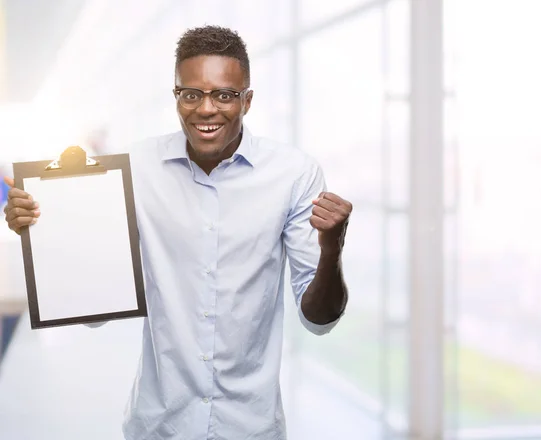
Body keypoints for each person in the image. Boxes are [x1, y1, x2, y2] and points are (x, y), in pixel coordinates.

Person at [2, 25, 350, 439]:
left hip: (251, 429)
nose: (207, 109)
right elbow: (93, 305)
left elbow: (319, 319)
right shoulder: (135, 169)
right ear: (177, 97)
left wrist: (331, 253)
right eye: (191, 94)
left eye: (224, 94)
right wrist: (43, 228)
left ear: (248, 100)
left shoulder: (294, 174)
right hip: (158, 427)